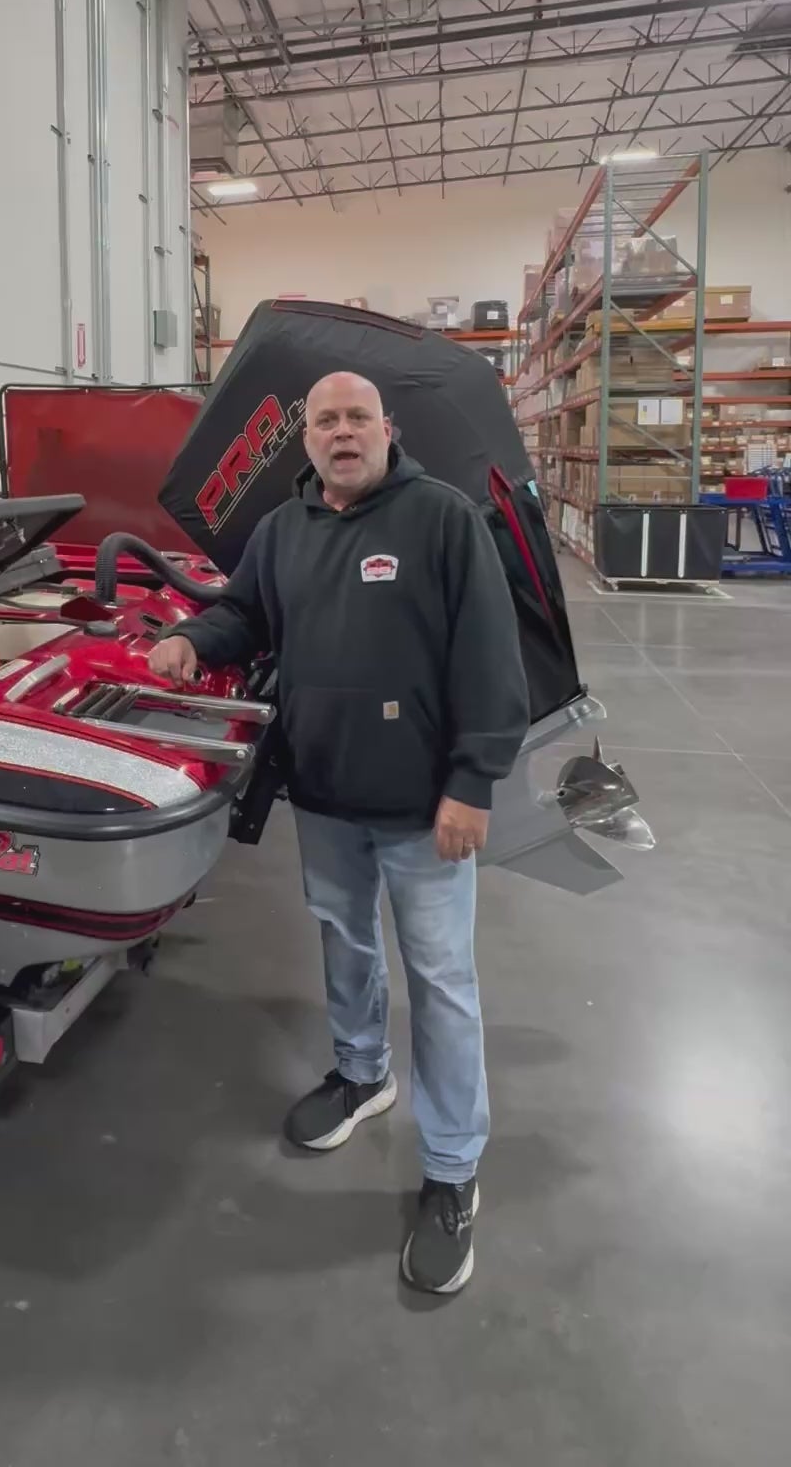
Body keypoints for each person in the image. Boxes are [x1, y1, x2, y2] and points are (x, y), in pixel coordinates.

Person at [148, 371, 529, 1295]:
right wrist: (194, 638)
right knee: (344, 941)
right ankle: (362, 1076)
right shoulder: (284, 531)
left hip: (425, 808)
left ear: (387, 430)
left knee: (441, 981)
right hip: (324, 795)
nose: (343, 432)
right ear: (307, 439)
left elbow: (490, 654)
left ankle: (452, 1170)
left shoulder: (442, 520)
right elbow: (245, 613)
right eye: (326, 421)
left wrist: (473, 783)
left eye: (359, 418)